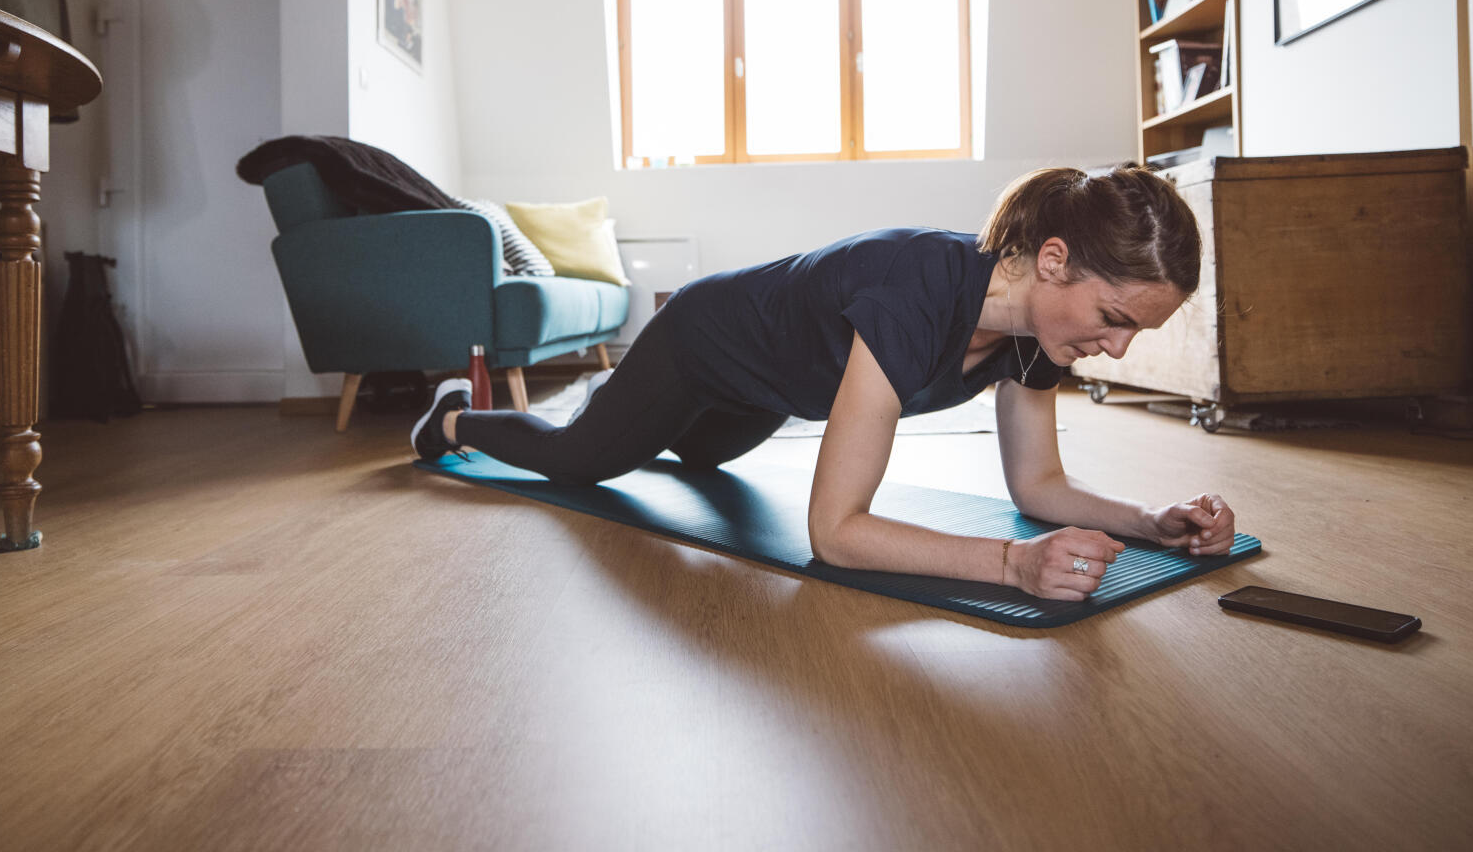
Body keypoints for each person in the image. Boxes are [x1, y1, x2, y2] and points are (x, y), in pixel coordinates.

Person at [412, 164, 1237, 602]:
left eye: (1137, 331)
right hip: (702, 345)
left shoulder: (1037, 333)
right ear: (1053, 261)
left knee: (696, 465)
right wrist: (1013, 566)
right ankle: (456, 421)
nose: (1119, 351)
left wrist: (1149, 523)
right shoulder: (917, 289)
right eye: (1116, 317)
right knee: (584, 458)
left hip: (764, 396)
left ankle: (631, 419)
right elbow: (835, 533)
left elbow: (1039, 484)